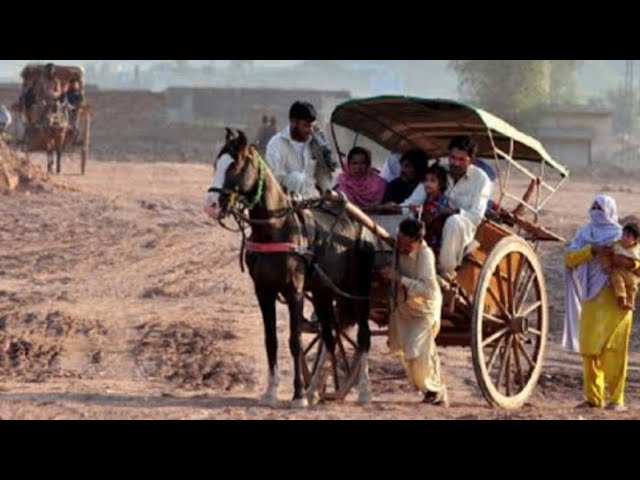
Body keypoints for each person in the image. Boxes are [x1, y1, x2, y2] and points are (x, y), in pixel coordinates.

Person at [563, 195, 640, 411]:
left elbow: (636, 261)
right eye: (594, 207)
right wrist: (591, 251)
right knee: (589, 349)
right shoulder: (583, 234)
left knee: (615, 351)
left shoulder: (621, 236)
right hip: (590, 296)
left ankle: (617, 399)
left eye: (601, 208)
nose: (597, 211)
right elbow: (569, 258)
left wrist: (620, 260)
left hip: (617, 300)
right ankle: (593, 398)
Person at [380, 218, 448, 406]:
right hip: (403, 310)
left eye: (406, 243)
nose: (401, 246)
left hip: (424, 310)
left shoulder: (425, 255)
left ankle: (436, 389)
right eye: (399, 240)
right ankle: (430, 390)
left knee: (416, 349)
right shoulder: (397, 248)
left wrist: (400, 279)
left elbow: (429, 290)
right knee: (404, 350)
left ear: (417, 242)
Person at [265, 101, 321, 198]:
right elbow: (274, 179)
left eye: (312, 126)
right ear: (294, 122)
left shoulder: (315, 143)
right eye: (306, 126)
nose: (310, 131)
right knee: (297, 178)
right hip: (286, 202)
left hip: (314, 200)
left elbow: (322, 175)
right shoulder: (277, 144)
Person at [600, 222, 640, 311]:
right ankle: (621, 297)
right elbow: (606, 255)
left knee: (633, 287)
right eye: (623, 235)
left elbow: (637, 263)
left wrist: (632, 264)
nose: (624, 238)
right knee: (617, 279)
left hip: (632, 275)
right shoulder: (616, 245)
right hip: (619, 272)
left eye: (628, 236)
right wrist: (606, 265)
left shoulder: (637, 250)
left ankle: (630, 303)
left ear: (635, 240)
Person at [335, 146, 386, 211]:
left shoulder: (378, 183)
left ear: (368, 164)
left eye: (363, 163)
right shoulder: (342, 182)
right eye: (354, 163)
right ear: (348, 164)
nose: (358, 167)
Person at [418, 164, 450, 255]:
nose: (427, 184)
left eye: (432, 181)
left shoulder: (442, 200)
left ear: (441, 184)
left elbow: (430, 218)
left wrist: (420, 211)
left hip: (435, 244)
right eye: (426, 180)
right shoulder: (426, 199)